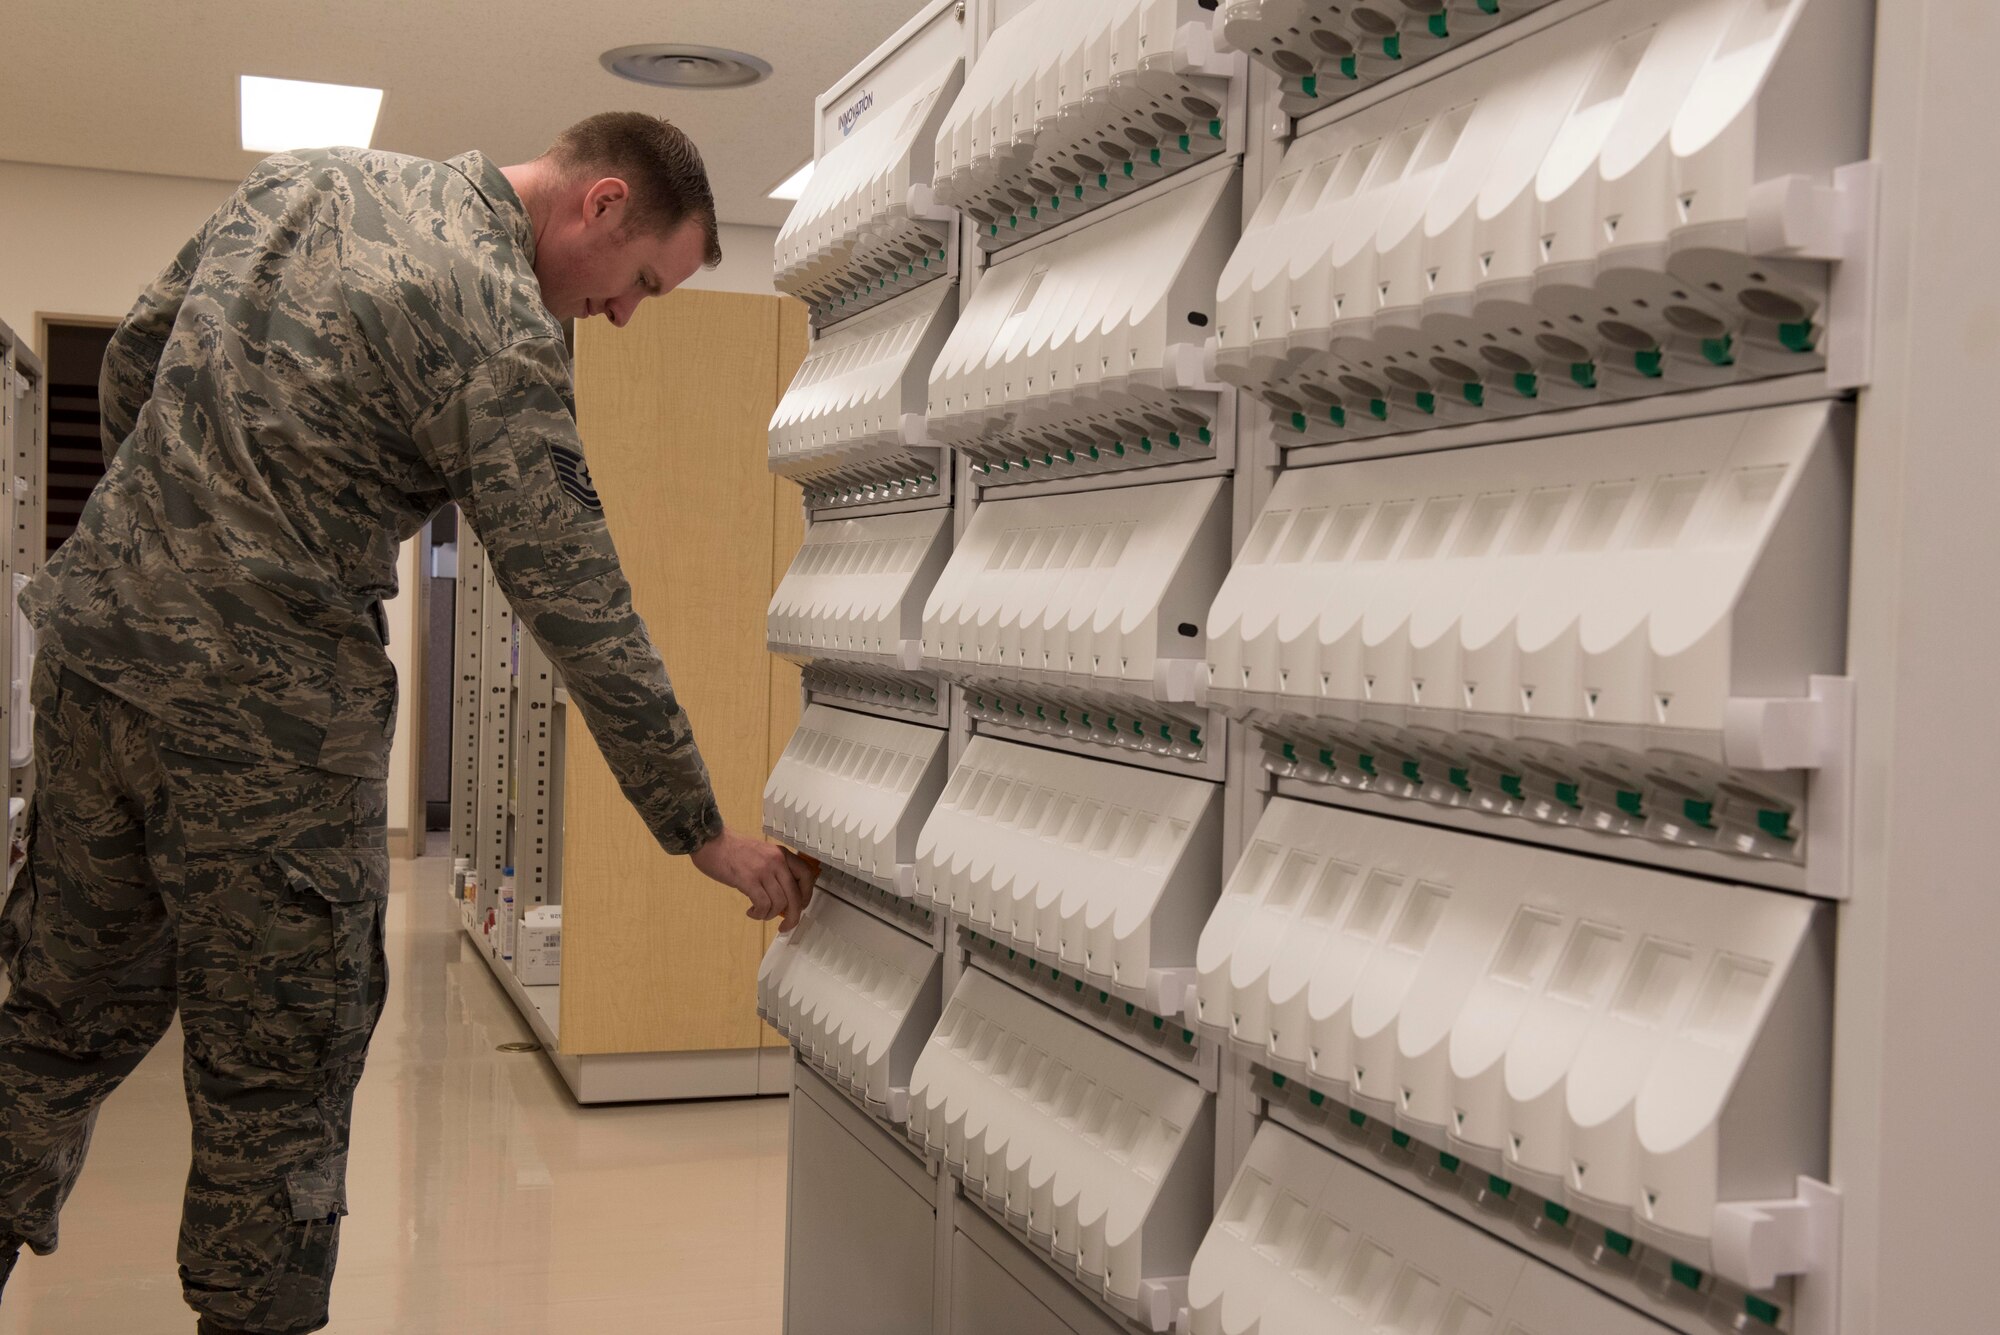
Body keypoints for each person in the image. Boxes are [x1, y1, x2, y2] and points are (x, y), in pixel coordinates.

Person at [0, 112, 817, 1333]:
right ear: (599, 206)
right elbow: (577, 602)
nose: (630, 313)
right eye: (642, 279)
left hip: (93, 661)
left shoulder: (305, 181)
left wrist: (171, 550)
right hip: (265, 721)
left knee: (54, 1020)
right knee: (279, 1073)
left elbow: (135, 355)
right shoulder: (494, 319)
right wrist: (696, 829)